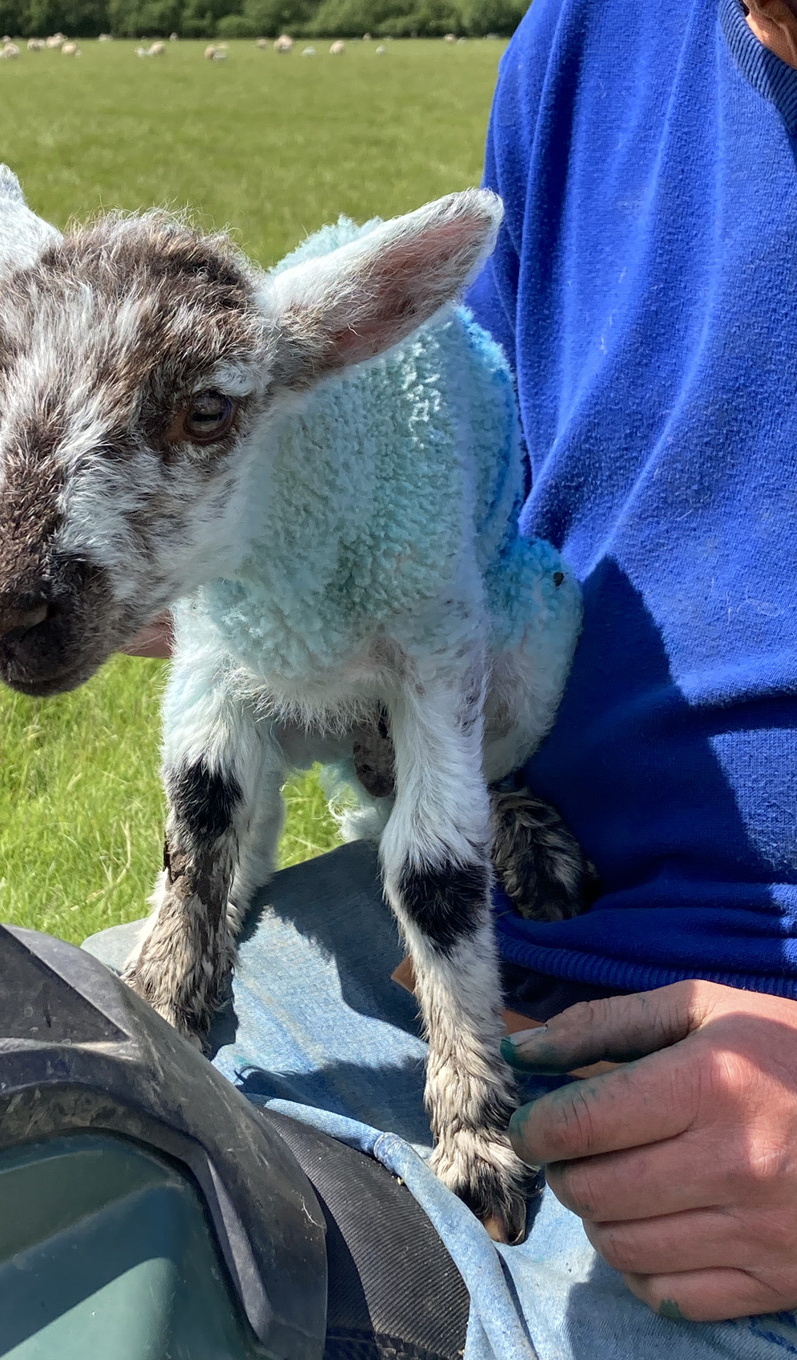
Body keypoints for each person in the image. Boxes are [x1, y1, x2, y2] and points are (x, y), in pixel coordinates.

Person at [86, 0, 797, 1353]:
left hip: (750, 1179)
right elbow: (488, 481)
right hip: (447, 931)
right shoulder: (594, 40)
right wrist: (282, 549)